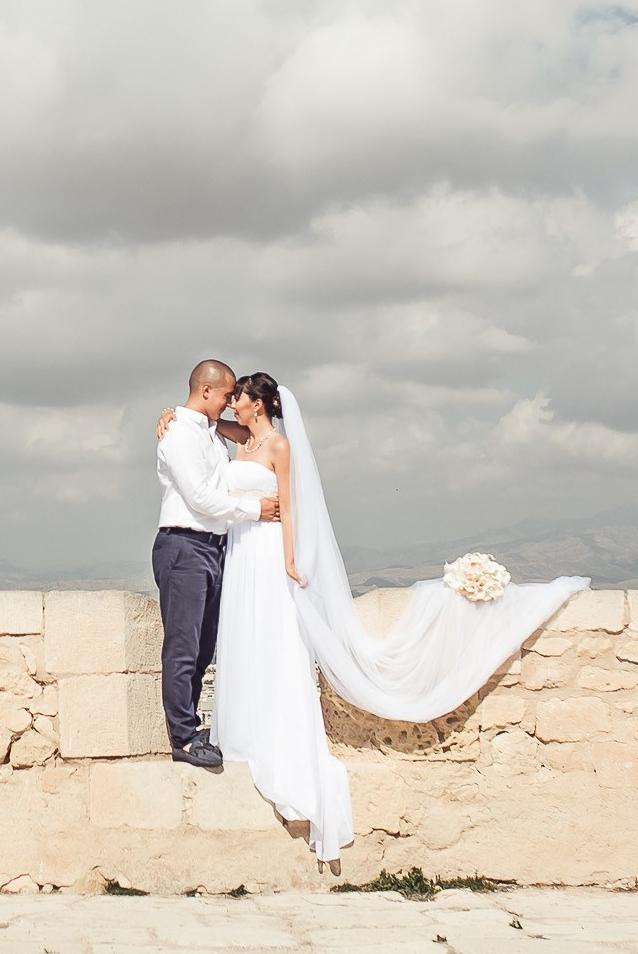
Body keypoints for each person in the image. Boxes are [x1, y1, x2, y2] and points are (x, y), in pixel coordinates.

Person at [159, 372, 590, 864]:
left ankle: (272, 740)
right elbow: (199, 429)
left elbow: (292, 507)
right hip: (236, 552)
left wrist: (291, 559)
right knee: (238, 642)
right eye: (229, 396)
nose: (232, 404)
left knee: (271, 643)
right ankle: (234, 735)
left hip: (264, 549)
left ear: (259, 404)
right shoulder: (237, 437)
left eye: (240, 398)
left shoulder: (277, 445)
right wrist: (171, 416)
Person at [154, 359, 280, 768]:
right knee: (183, 645)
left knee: (206, 644)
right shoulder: (177, 435)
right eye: (226, 395)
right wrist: (255, 510)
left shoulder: (210, 432)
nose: (229, 404)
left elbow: (254, 436)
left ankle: (193, 723)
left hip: (214, 547)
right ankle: (183, 738)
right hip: (184, 545)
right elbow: (200, 499)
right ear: (206, 391)